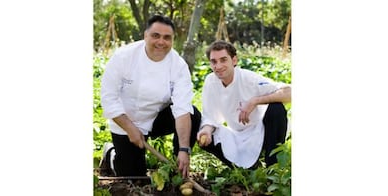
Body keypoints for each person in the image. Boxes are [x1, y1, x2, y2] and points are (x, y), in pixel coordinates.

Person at [100, 15, 201, 178]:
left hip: (155, 119)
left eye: (167, 37)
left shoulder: (178, 65)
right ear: (145, 35)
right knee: (133, 177)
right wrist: (130, 128)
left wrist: (184, 149)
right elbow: (108, 99)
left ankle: (178, 166)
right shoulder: (123, 57)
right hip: (125, 121)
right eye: (156, 36)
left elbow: (182, 109)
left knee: (193, 114)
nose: (161, 42)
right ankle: (110, 152)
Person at [196, 40, 290, 169]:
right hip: (236, 134)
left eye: (223, 60)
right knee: (202, 132)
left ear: (234, 60)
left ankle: (272, 166)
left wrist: (254, 101)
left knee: (276, 108)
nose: (218, 66)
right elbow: (211, 117)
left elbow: (289, 92)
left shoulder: (249, 78)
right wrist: (206, 130)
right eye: (214, 61)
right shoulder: (210, 81)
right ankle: (245, 168)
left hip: (260, 131)